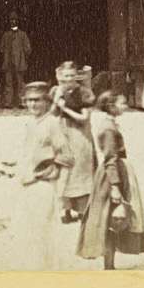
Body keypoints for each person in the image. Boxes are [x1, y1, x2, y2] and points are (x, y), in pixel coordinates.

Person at [77, 91, 144, 269]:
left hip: (117, 173)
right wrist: (115, 187)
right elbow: (110, 158)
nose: (125, 106)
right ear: (111, 106)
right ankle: (109, 266)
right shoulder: (108, 129)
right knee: (110, 219)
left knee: (113, 219)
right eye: (121, 103)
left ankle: (110, 265)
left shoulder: (110, 124)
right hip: (112, 176)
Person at [0, 80, 66, 268]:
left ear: (46, 101)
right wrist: (15, 166)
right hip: (26, 183)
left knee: (42, 230)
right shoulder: (31, 123)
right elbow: (30, 152)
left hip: (43, 185)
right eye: (29, 100)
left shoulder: (52, 124)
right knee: (26, 230)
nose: (32, 104)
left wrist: (42, 174)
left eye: (37, 100)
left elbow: (66, 157)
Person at [48, 62, 99, 224]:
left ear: (76, 75)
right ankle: (66, 209)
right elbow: (52, 114)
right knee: (64, 169)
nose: (69, 79)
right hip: (63, 132)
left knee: (81, 170)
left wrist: (65, 108)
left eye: (71, 75)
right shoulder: (57, 91)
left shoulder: (84, 92)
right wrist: (56, 101)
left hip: (79, 134)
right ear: (60, 76)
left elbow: (84, 118)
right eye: (65, 76)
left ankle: (83, 209)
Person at [0, 22, 31, 108]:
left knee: (19, 83)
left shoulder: (22, 35)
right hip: (9, 63)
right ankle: (8, 103)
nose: (13, 22)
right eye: (12, 20)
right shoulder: (6, 35)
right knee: (9, 83)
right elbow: (1, 48)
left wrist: (22, 58)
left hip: (18, 62)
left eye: (14, 20)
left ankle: (21, 102)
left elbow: (27, 49)